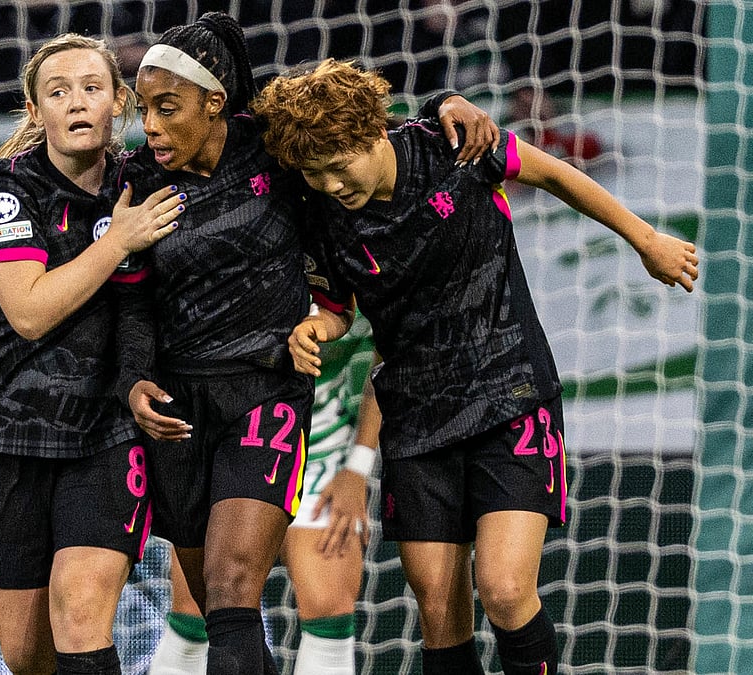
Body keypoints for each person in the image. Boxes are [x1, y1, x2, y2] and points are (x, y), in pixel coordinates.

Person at [252, 59, 699, 674]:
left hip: (509, 394)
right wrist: (316, 327)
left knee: (507, 589)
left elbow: (553, 173)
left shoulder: (452, 147)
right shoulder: (322, 216)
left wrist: (646, 239)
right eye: (315, 173)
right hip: (415, 418)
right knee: (438, 613)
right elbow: (337, 306)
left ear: (375, 131)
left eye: (339, 165)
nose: (331, 184)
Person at [112, 11, 498, 674]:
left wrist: (445, 102)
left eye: (164, 107)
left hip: (296, 416)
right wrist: (131, 376)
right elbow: (132, 297)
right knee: (206, 608)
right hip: (191, 413)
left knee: (285, 596)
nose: (148, 124)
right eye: (142, 108)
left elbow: (373, 126)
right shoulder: (143, 180)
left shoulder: (288, 162)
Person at [0, 33, 184, 675]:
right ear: (36, 112)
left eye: (92, 87)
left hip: (107, 432)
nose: (77, 102)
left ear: (120, 100)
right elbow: (29, 312)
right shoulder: (6, 186)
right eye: (58, 92)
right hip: (12, 432)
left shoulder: (147, 180)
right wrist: (117, 240)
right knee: (28, 658)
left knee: (81, 607)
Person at [150, 315, 382, 675]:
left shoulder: (353, 265)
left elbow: (392, 347)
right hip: (233, 440)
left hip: (321, 451)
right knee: (196, 610)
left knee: (328, 603)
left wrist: (358, 466)